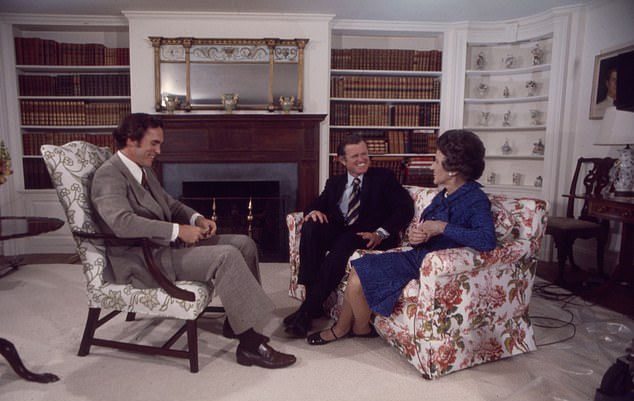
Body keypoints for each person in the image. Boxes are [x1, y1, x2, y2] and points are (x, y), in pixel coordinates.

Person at [90, 113, 296, 369]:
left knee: (244, 243)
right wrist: (177, 231)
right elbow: (121, 223)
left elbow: (172, 204)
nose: (159, 150)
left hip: (163, 248)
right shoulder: (109, 175)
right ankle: (250, 346)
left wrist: (197, 219)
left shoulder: (143, 169)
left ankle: (237, 321)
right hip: (142, 259)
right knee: (226, 256)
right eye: (154, 143)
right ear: (131, 140)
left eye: (160, 144)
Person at [306, 129, 497, 345]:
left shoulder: (475, 199)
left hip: (434, 264)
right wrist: (420, 235)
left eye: (435, 161)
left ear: (452, 169)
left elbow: (486, 239)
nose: (431, 166)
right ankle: (350, 328)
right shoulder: (444, 194)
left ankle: (354, 329)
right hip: (418, 255)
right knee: (358, 268)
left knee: (358, 280)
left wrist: (442, 227)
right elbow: (429, 229)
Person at [284, 134, 414, 338]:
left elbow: (405, 209)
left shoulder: (384, 178)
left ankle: (306, 312)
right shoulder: (335, 182)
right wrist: (313, 212)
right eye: (355, 156)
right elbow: (317, 203)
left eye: (364, 154)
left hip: (369, 234)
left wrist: (381, 232)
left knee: (344, 242)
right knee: (311, 226)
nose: (362, 159)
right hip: (342, 230)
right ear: (342, 160)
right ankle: (311, 300)